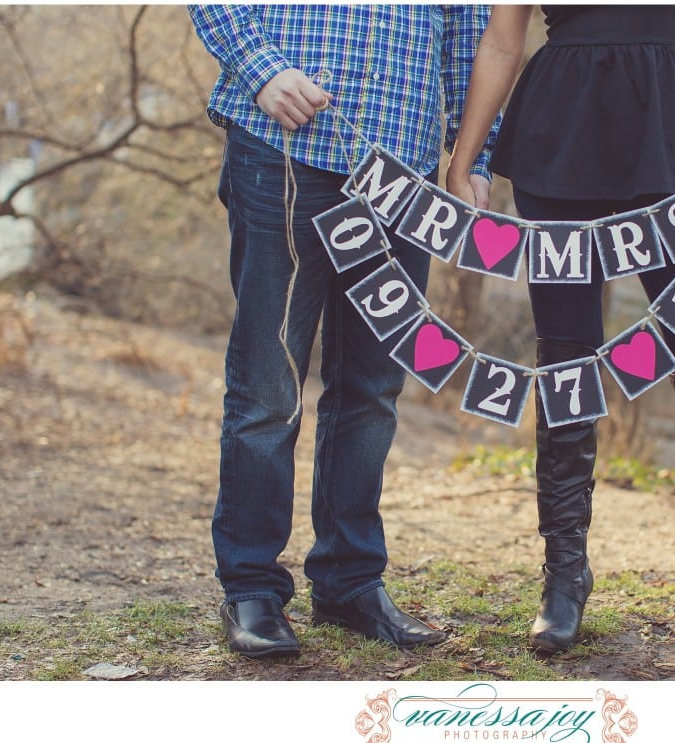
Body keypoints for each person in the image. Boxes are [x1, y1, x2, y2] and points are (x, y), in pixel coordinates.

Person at [448, 4, 675, 663]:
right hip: (560, 130)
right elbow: (501, 41)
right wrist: (466, 156)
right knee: (566, 367)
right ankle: (564, 577)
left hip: (672, 128)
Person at [190, 5, 498, 658]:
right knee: (268, 389)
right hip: (279, 150)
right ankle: (250, 588)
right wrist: (260, 68)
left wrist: (471, 155)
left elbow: (474, 36)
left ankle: (349, 581)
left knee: (372, 387)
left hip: (399, 173)